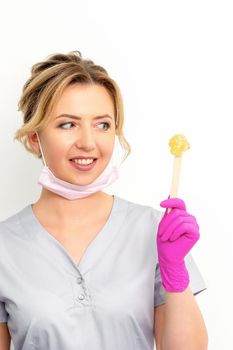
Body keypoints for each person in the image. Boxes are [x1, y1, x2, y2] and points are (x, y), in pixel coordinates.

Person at [0, 51, 208, 350]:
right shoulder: (4, 246)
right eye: (68, 124)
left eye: (102, 125)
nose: (88, 142)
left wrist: (175, 272)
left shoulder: (155, 230)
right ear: (35, 137)